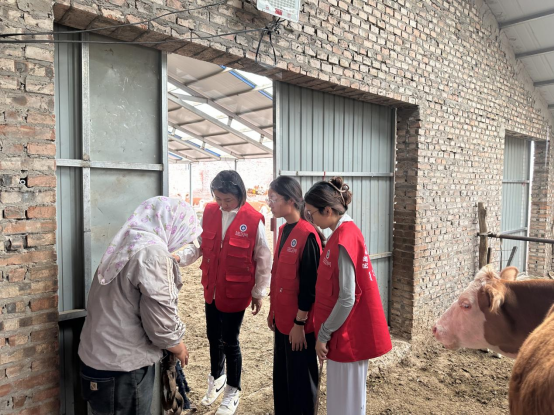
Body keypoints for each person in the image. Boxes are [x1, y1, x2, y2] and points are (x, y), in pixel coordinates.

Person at [78, 197, 201, 415]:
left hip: (98, 356)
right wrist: (177, 345)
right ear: (173, 225)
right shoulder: (153, 254)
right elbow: (161, 320)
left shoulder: (128, 242)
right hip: (122, 366)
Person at [175, 170, 272, 416]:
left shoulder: (253, 219)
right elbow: (199, 246)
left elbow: (263, 258)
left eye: (227, 199)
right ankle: (217, 377)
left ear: (240, 194)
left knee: (230, 340)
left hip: (236, 291)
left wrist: (259, 291)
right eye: (218, 198)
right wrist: (180, 257)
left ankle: (233, 389)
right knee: (212, 335)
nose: (222, 204)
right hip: (212, 288)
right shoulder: (209, 212)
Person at [304, 178, 392, 416]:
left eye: (312, 213)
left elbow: (347, 298)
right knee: (346, 401)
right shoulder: (342, 233)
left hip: (346, 335)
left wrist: (323, 334)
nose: (310, 218)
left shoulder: (344, 237)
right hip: (343, 331)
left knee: (345, 404)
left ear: (327, 210)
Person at [266, 176, 324, 415]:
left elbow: (310, 287)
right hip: (282, 321)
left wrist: (299, 324)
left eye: (273, 198)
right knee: (283, 380)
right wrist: (272, 312)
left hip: (299, 326)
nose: (270, 203)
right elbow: (279, 277)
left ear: (290, 200)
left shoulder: (307, 235)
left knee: (301, 384)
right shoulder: (282, 230)